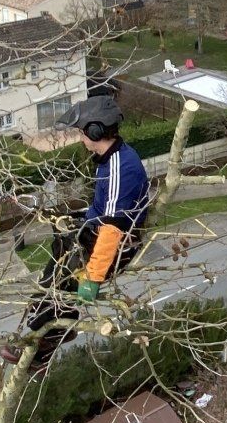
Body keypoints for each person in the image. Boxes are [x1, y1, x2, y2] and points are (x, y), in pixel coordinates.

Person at [43, 93, 152, 303]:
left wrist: (92, 277)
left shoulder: (120, 168)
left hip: (113, 243)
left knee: (53, 297)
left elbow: (112, 228)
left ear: (95, 132)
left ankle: (52, 330)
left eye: (83, 133)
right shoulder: (109, 158)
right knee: (59, 236)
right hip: (96, 228)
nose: (82, 139)